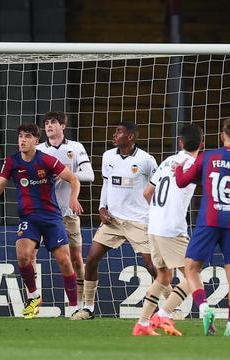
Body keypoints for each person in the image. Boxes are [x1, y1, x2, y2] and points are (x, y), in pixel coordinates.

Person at [0, 123, 83, 319]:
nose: (22, 140)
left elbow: (73, 179)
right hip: (29, 218)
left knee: (64, 261)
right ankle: (34, 296)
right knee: (23, 256)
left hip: (51, 217)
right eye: (20, 136)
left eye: (27, 136)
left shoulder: (46, 160)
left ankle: (74, 306)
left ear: (36, 141)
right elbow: (0, 184)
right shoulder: (12, 161)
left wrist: (73, 198)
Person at [175, 118, 230, 337]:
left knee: (191, 268)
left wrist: (177, 170)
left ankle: (204, 309)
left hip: (209, 220)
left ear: (222, 136)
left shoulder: (207, 157)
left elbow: (182, 181)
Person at [73, 122, 159, 320]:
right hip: (113, 220)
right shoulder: (108, 156)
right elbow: (106, 184)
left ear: (130, 137)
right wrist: (102, 208)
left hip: (139, 220)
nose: (114, 134)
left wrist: (155, 214)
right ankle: (88, 308)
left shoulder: (146, 160)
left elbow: (158, 186)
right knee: (92, 259)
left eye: (119, 132)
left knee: (152, 267)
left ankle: (172, 305)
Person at [132, 124, 203, 337]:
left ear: (180, 142)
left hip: (154, 225)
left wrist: (159, 212)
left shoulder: (166, 162)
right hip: (172, 228)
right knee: (194, 276)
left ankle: (142, 324)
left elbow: (147, 192)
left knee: (163, 277)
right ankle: (164, 314)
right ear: (202, 144)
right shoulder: (193, 164)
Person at [36, 111, 94, 314]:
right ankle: (32, 301)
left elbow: (89, 175)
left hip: (69, 212)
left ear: (63, 126)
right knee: (30, 256)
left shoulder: (75, 148)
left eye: (53, 123)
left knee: (76, 259)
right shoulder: (38, 150)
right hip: (43, 213)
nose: (49, 126)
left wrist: (65, 174)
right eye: (46, 123)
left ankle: (81, 304)